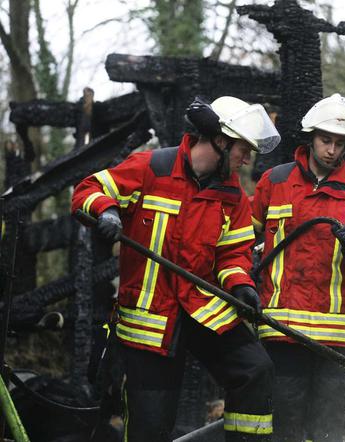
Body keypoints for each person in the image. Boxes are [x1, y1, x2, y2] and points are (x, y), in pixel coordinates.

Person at [72, 96, 281, 442]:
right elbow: (88, 190)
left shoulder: (234, 197)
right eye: (244, 149)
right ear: (220, 139)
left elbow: (233, 255)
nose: (247, 159)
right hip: (150, 319)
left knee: (255, 369)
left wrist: (242, 286)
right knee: (152, 426)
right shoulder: (152, 168)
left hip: (202, 309)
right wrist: (107, 211)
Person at [250, 93, 345, 441]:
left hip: (336, 335)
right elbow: (242, 239)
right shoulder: (275, 182)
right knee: (284, 426)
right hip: (282, 328)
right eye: (325, 140)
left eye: (339, 143)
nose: (331, 149)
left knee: (329, 429)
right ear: (310, 137)